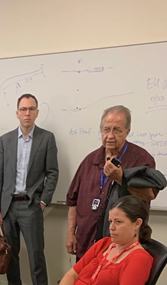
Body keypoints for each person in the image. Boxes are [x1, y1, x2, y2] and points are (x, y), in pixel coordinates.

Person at [66, 105, 156, 260]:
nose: (110, 135)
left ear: (127, 131)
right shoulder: (90, 161)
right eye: (106, 129)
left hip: (123, 247)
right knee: (83, 282)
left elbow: (149, 194)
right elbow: (72, 201)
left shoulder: (141, 160)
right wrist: (70, 234)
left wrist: (121, 179)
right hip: (87, 243)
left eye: (117, 130)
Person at [0, 93, 59, 285]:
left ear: (37, 112)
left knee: (36, 256)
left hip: (31, 206)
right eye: (23, 109)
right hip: (8, 206)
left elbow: (53, 173)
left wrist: (44, 201)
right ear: (17, 113)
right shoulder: (6, 140)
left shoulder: (46, 138)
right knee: (10, 255)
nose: (27, 113)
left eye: (31, 109)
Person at [53, 195, 153, 285]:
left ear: (137, 223)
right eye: (110, 221)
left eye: (118, 222)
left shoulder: (139, 258)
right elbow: (72, 274)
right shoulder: (104, 243)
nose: (111, 227)